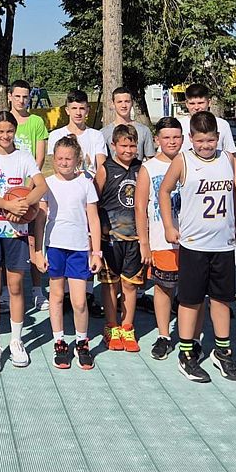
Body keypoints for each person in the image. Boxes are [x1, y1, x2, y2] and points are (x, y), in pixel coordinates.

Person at [160, 111, 236, 383]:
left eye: (210, 140)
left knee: (221, 299)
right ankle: (186, 353)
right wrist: (169, 225)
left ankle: (222, 350)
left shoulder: (228, 159)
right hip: (194, 243)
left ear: (218, 137)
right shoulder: (183, 160)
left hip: (223, 244)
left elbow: (235, 195)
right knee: (191, 299)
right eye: (200, 141)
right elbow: (164, 191)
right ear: (191, 139)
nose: (205, 146)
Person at [0, 111, 47, 373]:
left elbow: (41, 186)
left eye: (9, 131)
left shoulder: (24, 157)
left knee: (16, 287)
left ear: (15, 131)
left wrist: (24, 204)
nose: (5, 136)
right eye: (0, 131)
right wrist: (9, 206)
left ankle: (16, 340)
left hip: (17, 232)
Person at [38, 135, 101, 370]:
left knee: (79, 301)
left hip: (79, 248)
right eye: (60, 158)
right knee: (55, 296)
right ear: (54, 158)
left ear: (77, 160)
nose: (64, 163)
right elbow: (40, 218)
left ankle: (82, 342)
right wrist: (38, 251)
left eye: (69, 158)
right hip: (55, 246)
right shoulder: (47, 183)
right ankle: (60, 341)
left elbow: (93, 219)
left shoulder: (86, 183)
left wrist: (96, 252)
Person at [135, 117, 183, 361]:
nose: (171, 142)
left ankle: (188, 337)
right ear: (156, 140)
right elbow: (140, 207)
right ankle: (164, 335)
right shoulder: (149, 168)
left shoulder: (191, 163)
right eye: (166, 137)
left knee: (189, 290)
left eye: (176, 137)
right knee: (164, 288)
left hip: (192, 238)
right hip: (161, 240)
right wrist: (144, 243)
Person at [94, 124, 145, 353]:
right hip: (110, 238)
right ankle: (111, 325)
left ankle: (127, 327)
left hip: (134, 237)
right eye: (123, 145)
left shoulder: (141, 168)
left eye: (132, 146)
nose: (128, 150)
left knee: (130, 285)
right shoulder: (105, 169)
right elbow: (93, 201)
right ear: (113, 145)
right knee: (110, 284)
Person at [8, 81, 51, 313]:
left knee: (33, 241)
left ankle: (37, 290)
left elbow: (39, 158)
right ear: (10, 96)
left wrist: (27, 190)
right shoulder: (5, 120)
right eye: (18, 96)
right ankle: (6, 291)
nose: (21, 100)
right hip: (7, 192)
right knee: (8, 241)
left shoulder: (36, 122)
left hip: (29, 189)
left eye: (25, 96)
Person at [46, 90, 107, 177]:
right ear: (67, 110)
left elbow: (101, 166)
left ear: (87, 110)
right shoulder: (56, 135)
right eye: (74, 108)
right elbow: (56, 167)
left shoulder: (97, 135)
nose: (78, 113)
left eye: (82, 108)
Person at [178, 84, 236, 155]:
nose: (196, 107)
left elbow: (231, 154)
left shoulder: (222, 124)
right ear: (186, 104)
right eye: (192, 103)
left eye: (200, 103)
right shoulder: (178, 125)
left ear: (209, 102)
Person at [100, 87, 156, 159]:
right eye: (119, 102)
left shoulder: (144, 131)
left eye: (127, 101)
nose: (124, 106)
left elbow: (150, 159)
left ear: (132, 103)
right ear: (113, 104)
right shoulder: (103, 133)